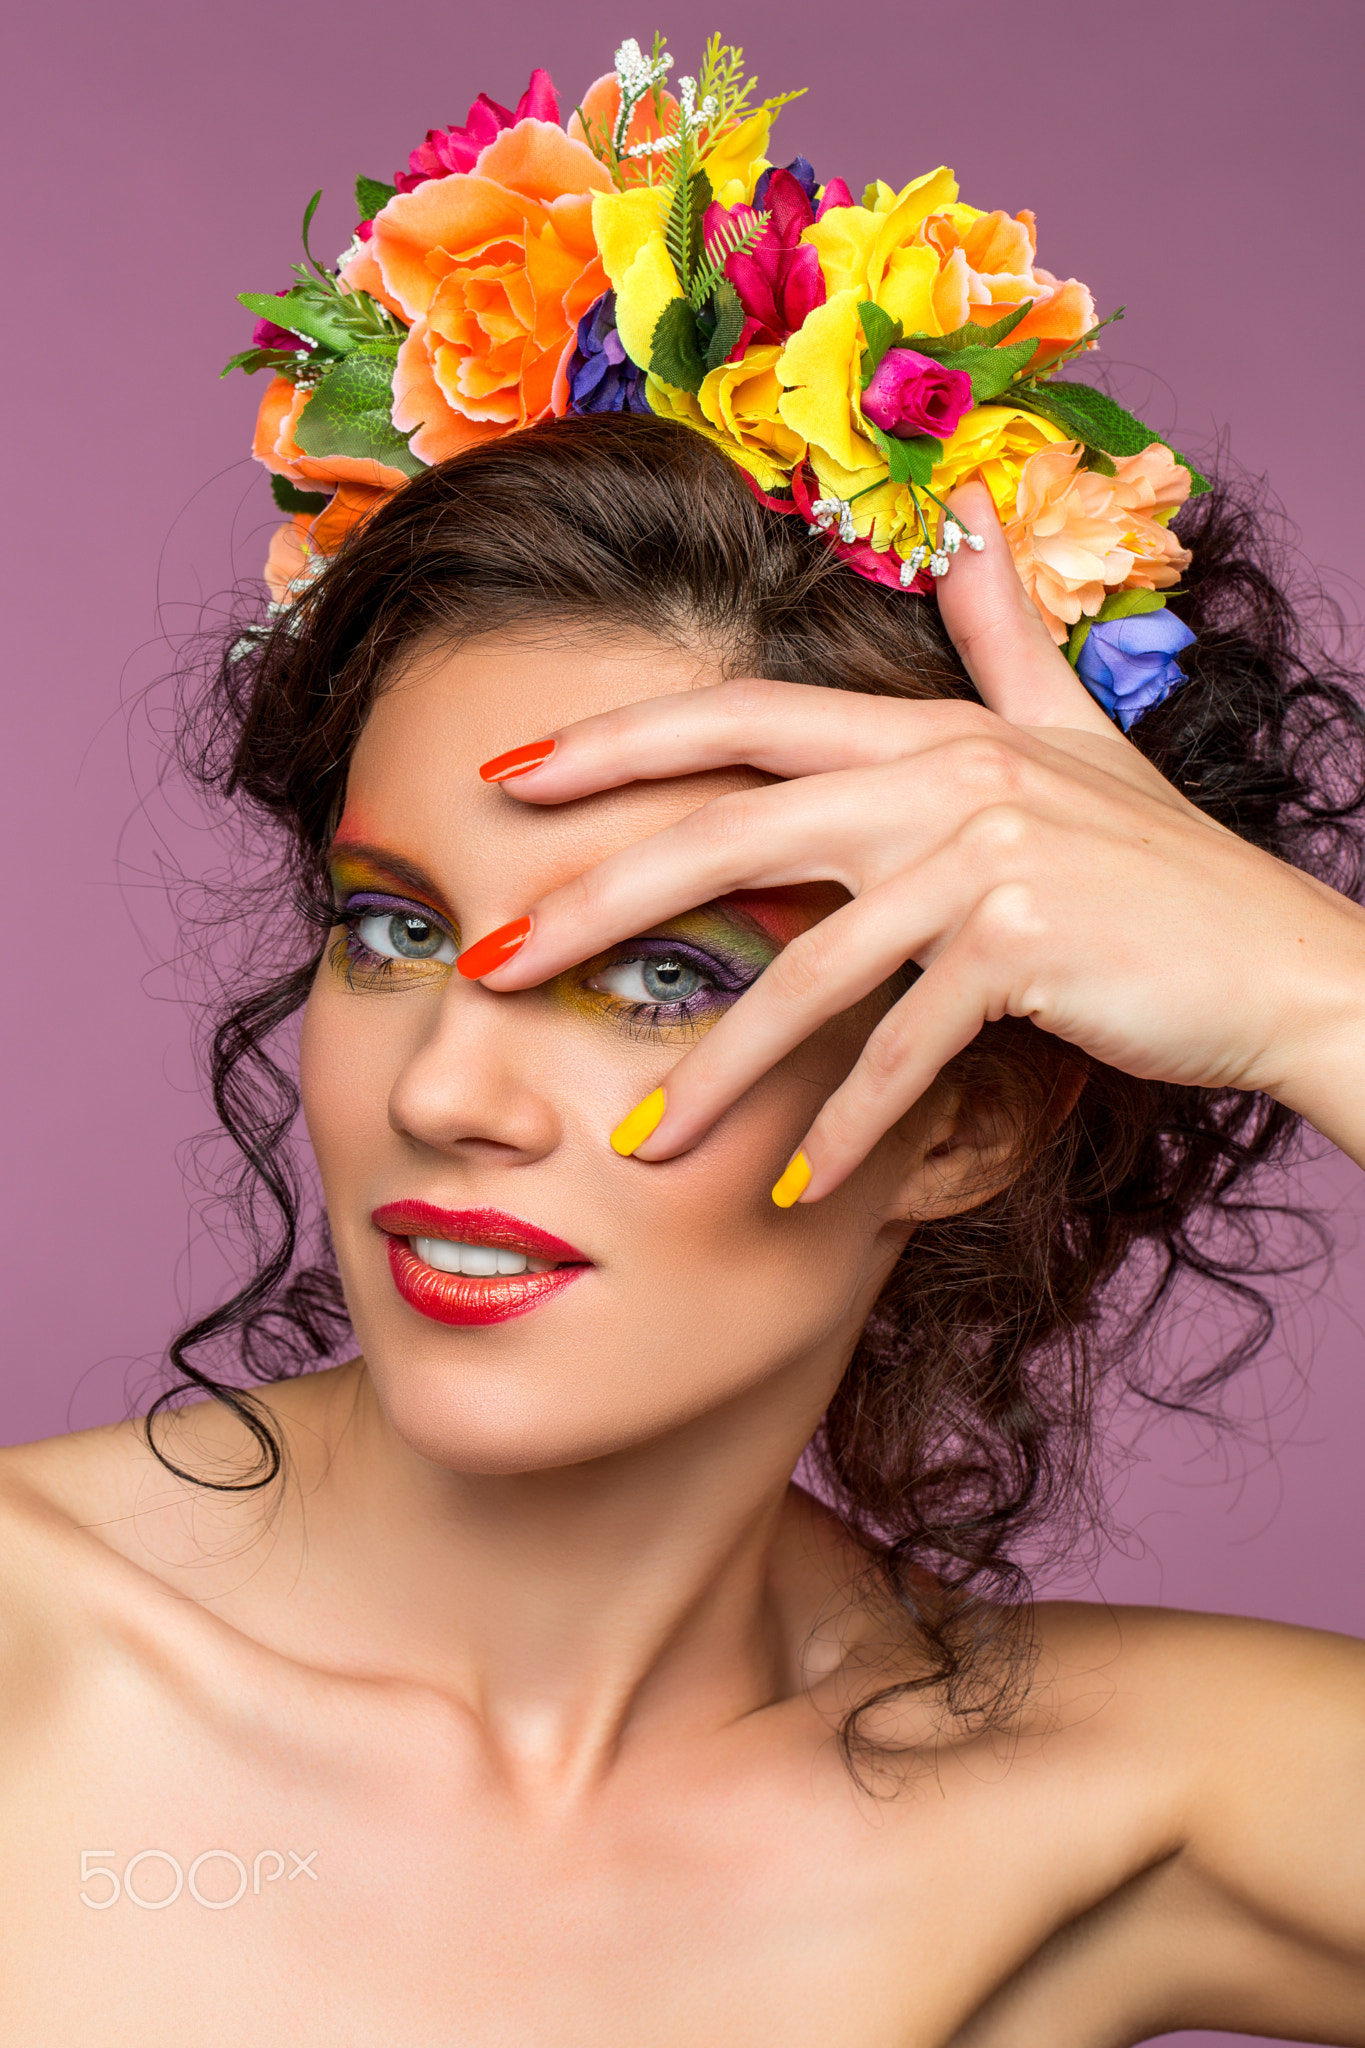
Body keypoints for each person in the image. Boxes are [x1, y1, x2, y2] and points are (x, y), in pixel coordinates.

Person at [3, 38, 1364, 2045]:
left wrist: (1312, 997)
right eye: (394, 932)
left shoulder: (1111, 1814)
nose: (446, 1093)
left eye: (665, 976)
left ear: (968, 1115)